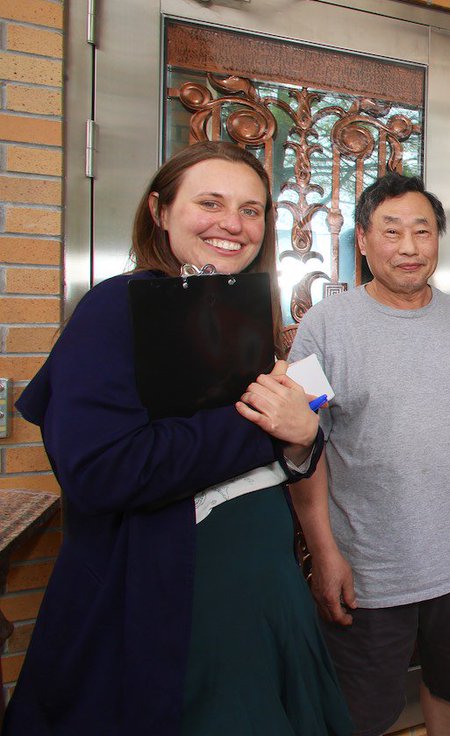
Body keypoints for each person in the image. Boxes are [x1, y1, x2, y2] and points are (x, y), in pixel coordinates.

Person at [8, 141, 352, 735]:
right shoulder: (117, 309)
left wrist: (300, 442)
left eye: (251, 210)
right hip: (168, 600)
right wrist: (272, 432)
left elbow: (287, 445)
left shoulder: (244, 312)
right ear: (159, 211)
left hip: (263, 590)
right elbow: (102, 471)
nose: (233, 224)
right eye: (210, 202)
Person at [288, 172, 450, 736]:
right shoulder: (322, 330)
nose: (408, 247)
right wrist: (323, 550)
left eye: (422, 232)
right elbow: (303, 441)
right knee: (361, 712)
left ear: (438, 239)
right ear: (362, 240)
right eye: (391, 230)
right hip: (370, 568)